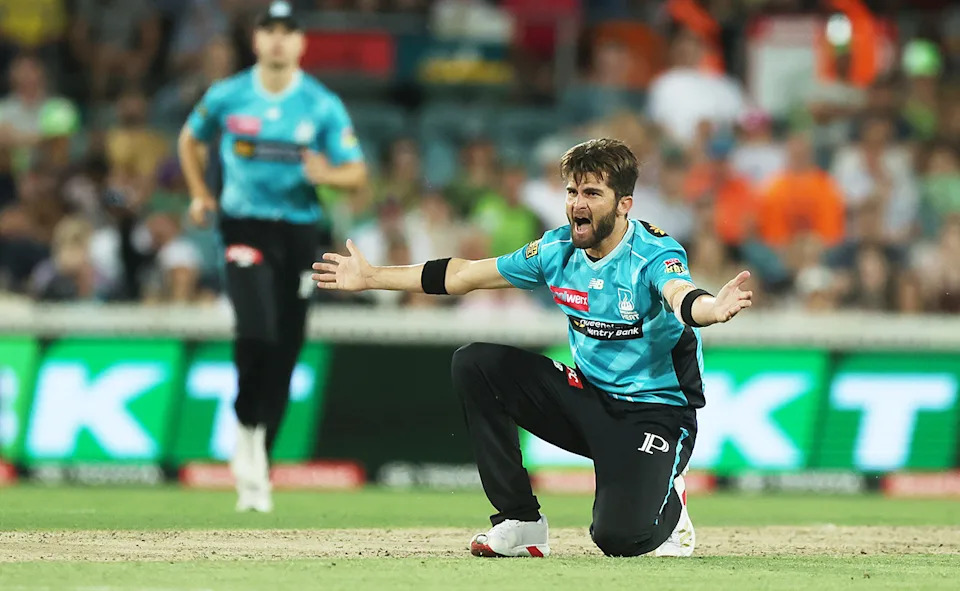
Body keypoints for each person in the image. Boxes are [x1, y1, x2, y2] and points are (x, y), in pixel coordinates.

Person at [312, 138, 752, 558]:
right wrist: (373, 277)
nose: (577, 204)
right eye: (572, 191)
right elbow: (463, 275)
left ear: (624, 206)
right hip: (589, 400)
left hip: (654, 414)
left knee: (620, 539)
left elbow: (681, 294)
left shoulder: (653, 252)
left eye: (593, 193)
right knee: (476, 364)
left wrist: (712, 308)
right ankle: (521, 523)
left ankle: (669, 507)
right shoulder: (556, 249)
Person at [177, 0, 366, 513]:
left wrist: (326, 175)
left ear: (301, 43)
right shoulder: (229, 94)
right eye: (270, 31)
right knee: (256, 328)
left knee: (285, 347)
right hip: (244, 225)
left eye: (288, 32)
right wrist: (200, 193)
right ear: (257, 41)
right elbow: (189, 140)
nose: (279, 40)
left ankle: (259, 447)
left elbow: (355, 173)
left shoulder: (320, 104)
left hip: (301, 234)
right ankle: (246, 427)